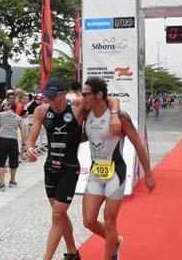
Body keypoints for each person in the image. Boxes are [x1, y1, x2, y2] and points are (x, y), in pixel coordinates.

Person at [26, 77, 121, 260]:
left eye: (54, 97)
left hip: (69, 168)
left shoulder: (77, 106)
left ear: (63, 94)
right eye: (47, 97)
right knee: (59, 215)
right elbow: (31, 137)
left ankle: (47, 258)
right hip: (50, 168)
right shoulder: (41, 111)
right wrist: (30, 147)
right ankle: (72, 252)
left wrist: (115, 114)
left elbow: (110, 100)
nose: (50, 101)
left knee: (58, 213)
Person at [81, 77, 156, 260]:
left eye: (86, 94)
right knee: (89, 220)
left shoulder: (119, 117)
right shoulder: (86, 113)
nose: (83, 97)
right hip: (95, 170)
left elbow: (137, 143)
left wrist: (148, 173)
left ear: (99, 95)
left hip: (115, 172)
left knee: (109, 221)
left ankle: (110, 254)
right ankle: (114, 240)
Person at [0, 100, 27, 191]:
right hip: (13, 140)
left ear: (9, 106)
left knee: (0, 162)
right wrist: (23, 143)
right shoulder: (18, 118)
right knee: (13, 161)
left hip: (2, 139)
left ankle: (2, 183)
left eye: (4, 105)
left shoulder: (0, 115)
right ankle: (12, 180)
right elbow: (23, 130)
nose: (3, 107)